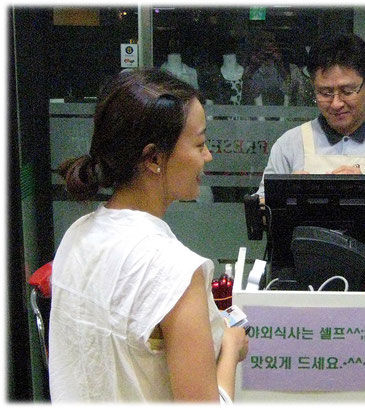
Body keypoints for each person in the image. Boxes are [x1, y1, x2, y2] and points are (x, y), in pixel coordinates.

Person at [49, 68, 248, 402]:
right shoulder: (174, 271)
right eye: (199, 143)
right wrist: (230, 348)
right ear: (155, 158)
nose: (207, 155)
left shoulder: (76, 236)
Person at [256, 33, 365, 236]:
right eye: (325, 93)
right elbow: (259, 215)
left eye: (347, 91)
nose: (336, 103)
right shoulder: (290, 143)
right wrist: (287, 194)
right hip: (304, 262)